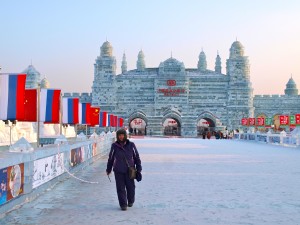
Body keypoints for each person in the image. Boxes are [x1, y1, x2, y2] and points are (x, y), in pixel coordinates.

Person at [106, 129, 142, 211]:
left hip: (130, 170)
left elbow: (136, 157)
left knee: (131, 187)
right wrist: (108, 169)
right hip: (118, 170)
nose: (121, 137)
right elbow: (111, 158)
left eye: (122, 135)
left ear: (125, 135)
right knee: (120, 188)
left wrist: (139, 168)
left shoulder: (131, 145)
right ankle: (123, 204)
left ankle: (130, 201)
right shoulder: (114, 146)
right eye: (119, 135)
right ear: (117, 136)